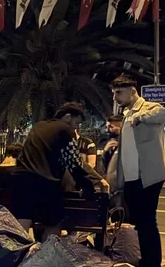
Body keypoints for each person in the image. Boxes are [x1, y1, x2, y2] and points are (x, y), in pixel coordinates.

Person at [105, 75, 165, 267]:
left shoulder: (148, 108)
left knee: (147, 222)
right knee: (140, 224)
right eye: (114, 93)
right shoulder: (126, 116)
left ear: (132, 91)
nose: (115, 97)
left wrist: (140, 117)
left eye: (119, 92)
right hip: (131, 179)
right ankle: (146, 265)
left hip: (148, 177)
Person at [11, 102, 106, 240]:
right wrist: (87, 185)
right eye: (76, 122)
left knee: (23, 219)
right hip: (45, 184)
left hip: (22, 181)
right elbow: (74, 162)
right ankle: (48, 251)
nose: (76, 127)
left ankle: (18, 250)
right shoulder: (65, 130)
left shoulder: (38, 126)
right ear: (68, 117)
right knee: (55, 221)